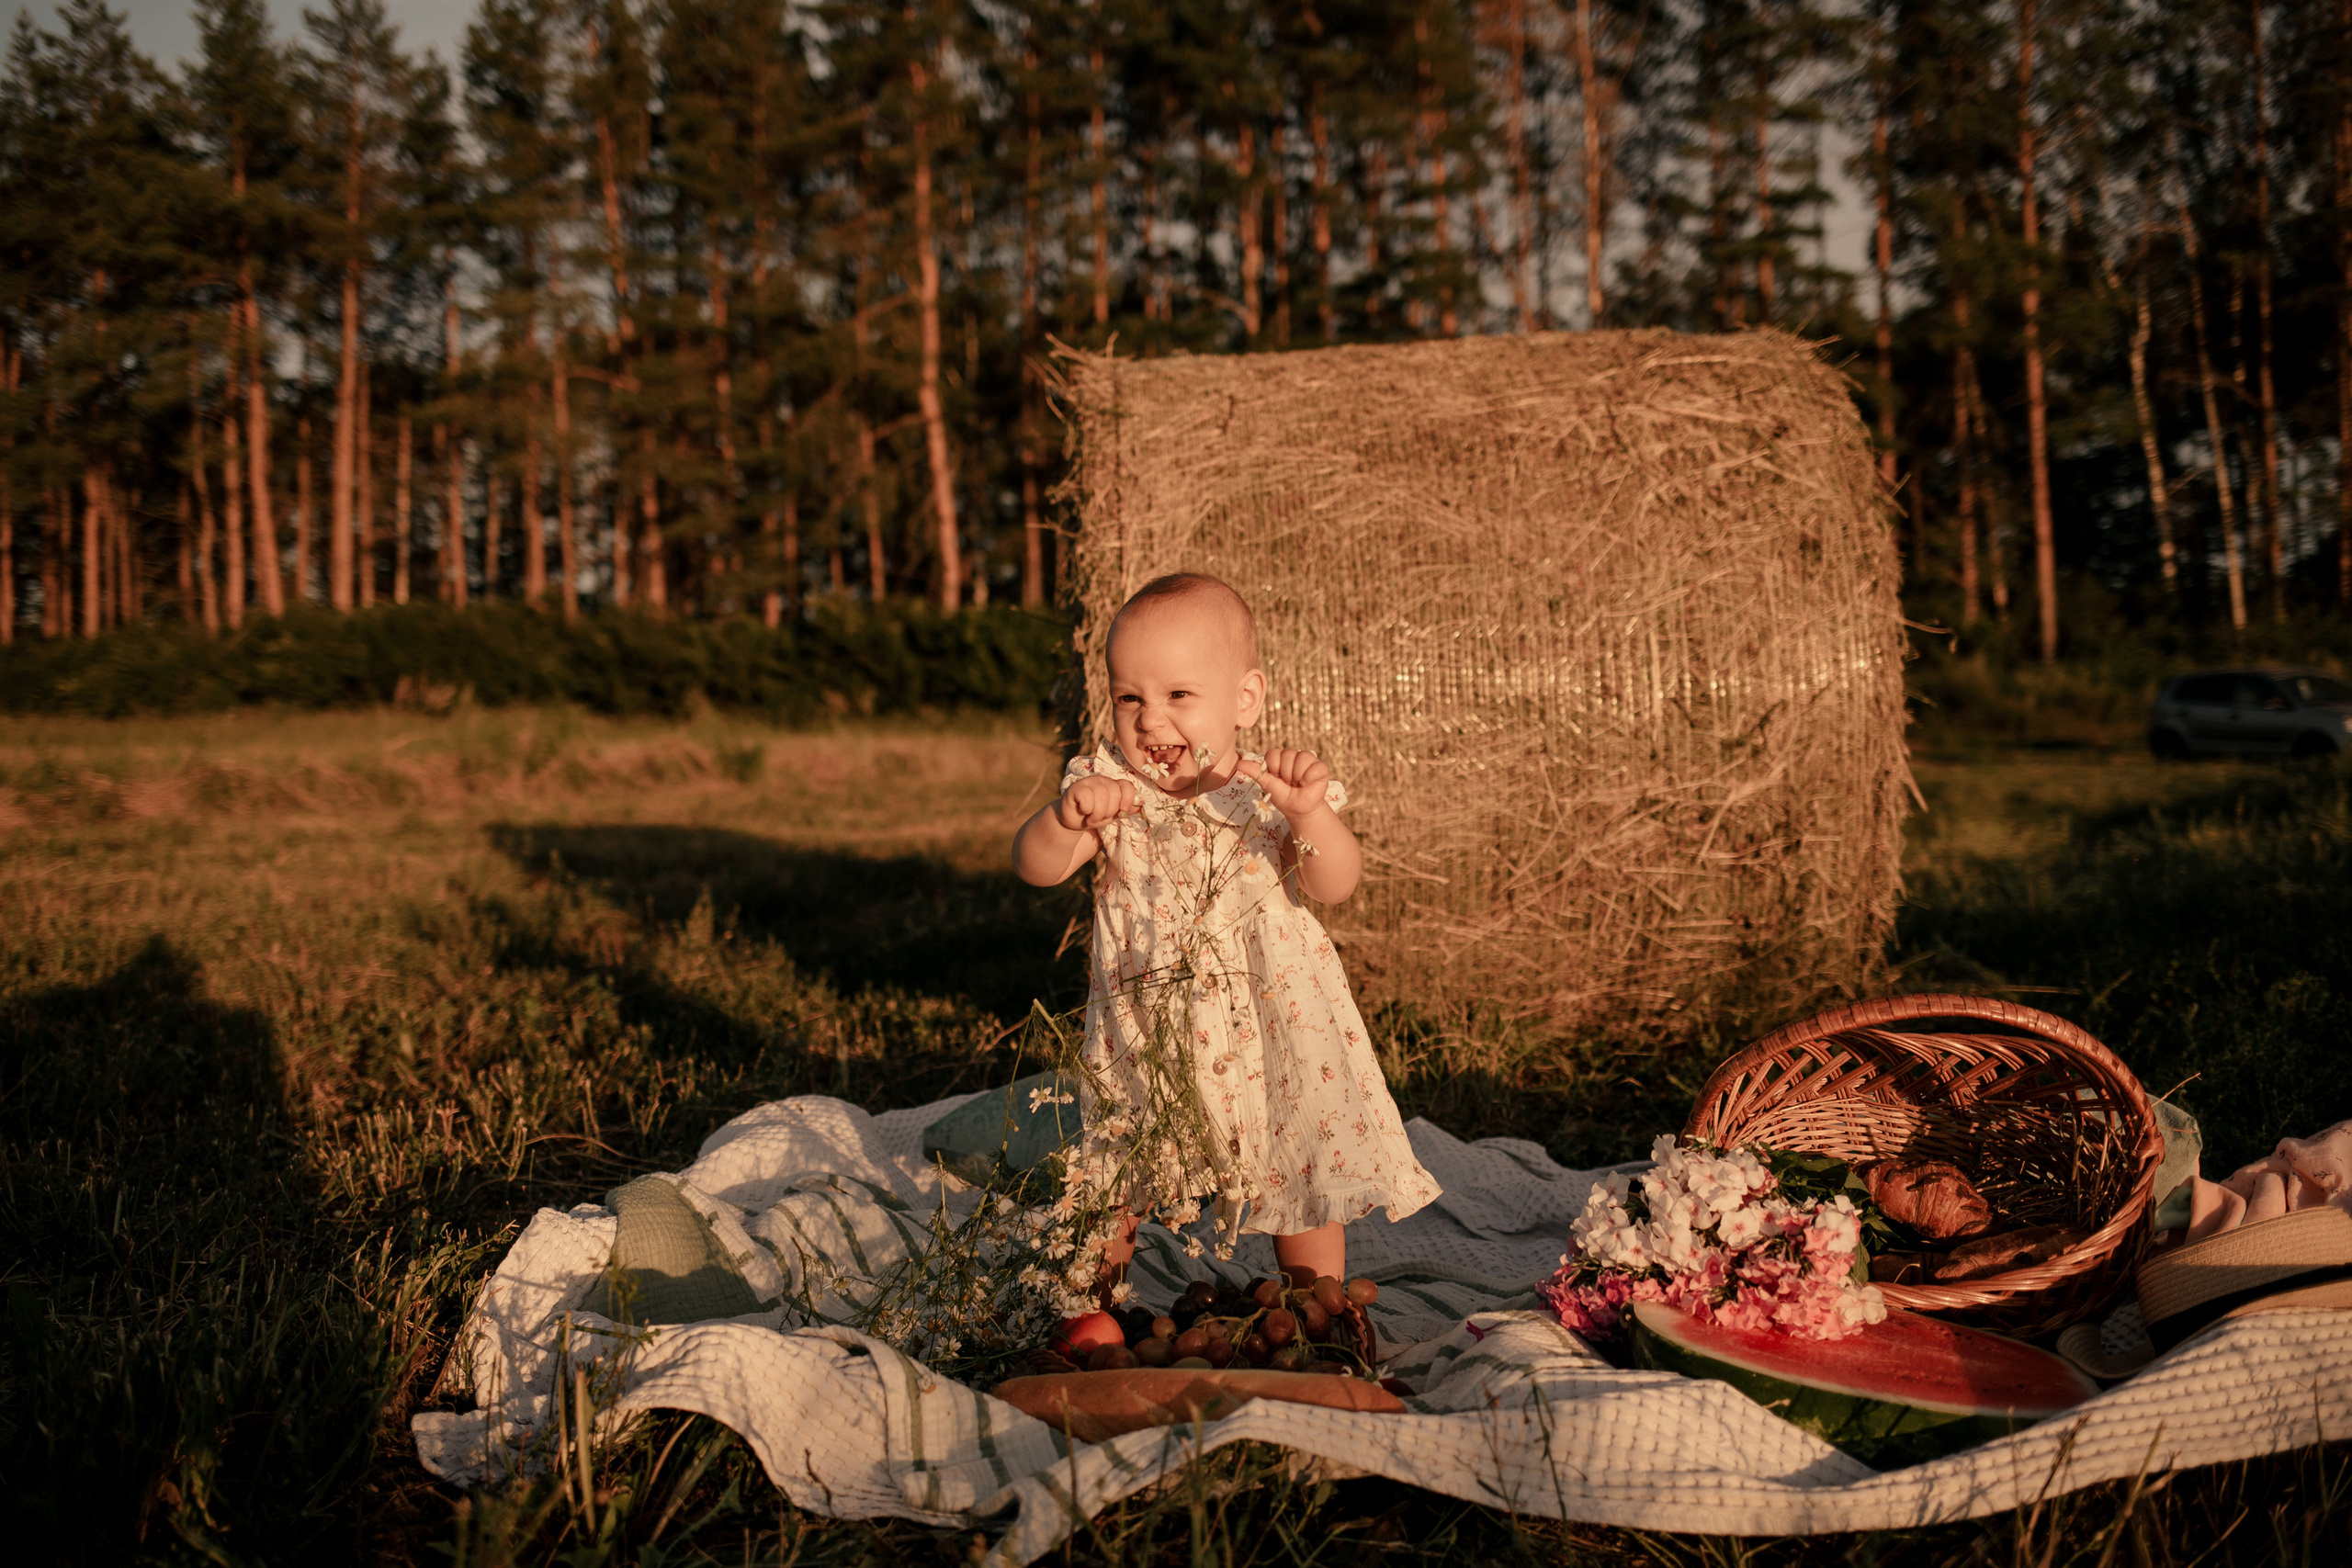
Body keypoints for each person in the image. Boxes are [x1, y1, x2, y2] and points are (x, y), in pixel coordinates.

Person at [1012, 571, 1440, 1308]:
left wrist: (1310, 816)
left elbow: (1335, 882)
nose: (1150, 720)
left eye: (1179, 695)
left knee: (1300, 1169)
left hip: (1274, 1036)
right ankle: (1087, 1310)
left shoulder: (1267, 789)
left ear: (1245, 700)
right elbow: (1036, 867)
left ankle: (1319, 1306)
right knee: (1117, 1175)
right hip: (1149, 1040)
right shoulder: (1109, 787)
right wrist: (1066, 819)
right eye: (1129, 697)